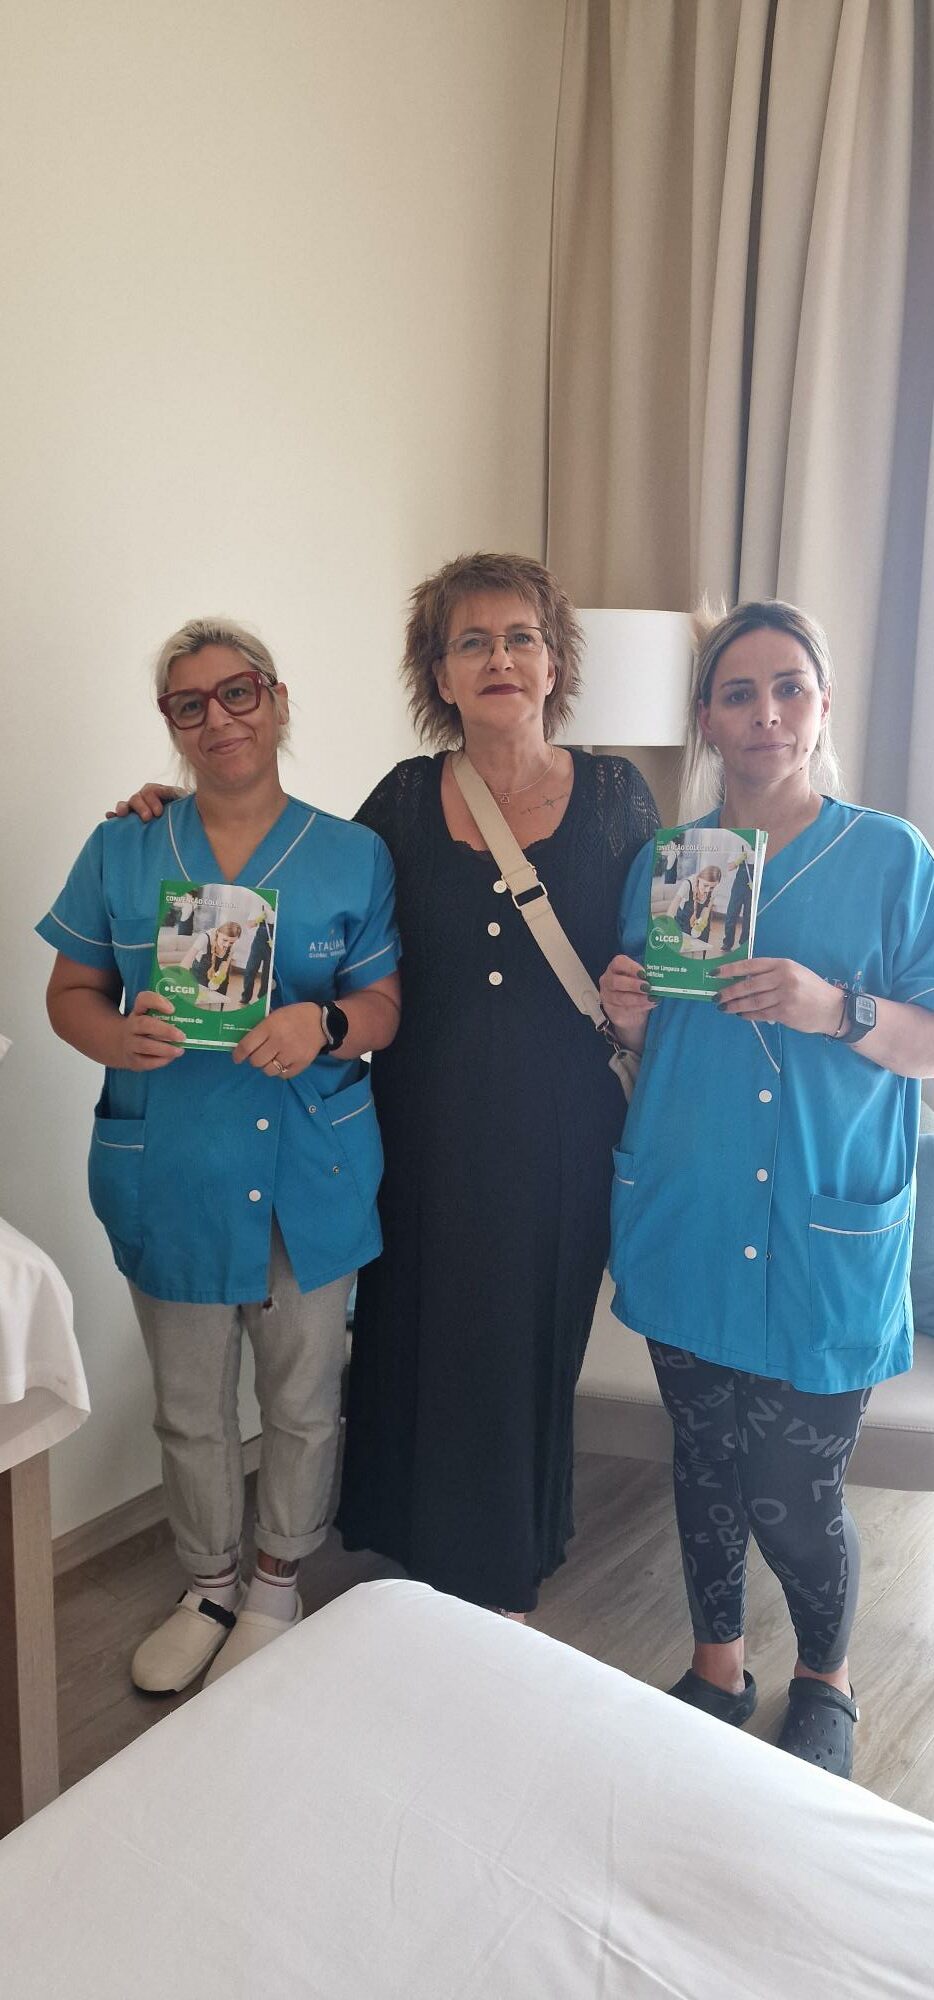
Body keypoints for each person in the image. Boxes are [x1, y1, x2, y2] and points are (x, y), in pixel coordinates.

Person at [113, 555, 658, 1617]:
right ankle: (409, 1547)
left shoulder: (615, 795)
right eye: (471, 641)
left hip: (561, 1126)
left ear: (554, 662)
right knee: (414, 1328)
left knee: (527, 1336)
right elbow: (296, 873)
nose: (499, 658)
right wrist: (177, 808)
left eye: (521, 637)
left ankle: (503, 1562)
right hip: (418, 1121)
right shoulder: (405, 798)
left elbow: (654, 946)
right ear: (438, 674)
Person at [599, 599, 934, 1779]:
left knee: (792, 1490)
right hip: (689, 1209)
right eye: (737, 692)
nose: (765, 713)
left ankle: (825, 1677)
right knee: (701, 1460)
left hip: (817, 1227)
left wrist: (833, 1005)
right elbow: (654, 1047)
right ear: (705, 718)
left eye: (789, 686)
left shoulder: (890, 857)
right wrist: (625, 1016)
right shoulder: (665, 865)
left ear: (823, 705)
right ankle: (717, 1662)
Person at [38, 618, 400, 1693]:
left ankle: (277, 1583)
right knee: (190, 1405)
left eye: (238, 692)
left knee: (301, 1399)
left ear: (277, 701)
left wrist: (322, 1025)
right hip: (174, 1165)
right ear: (171, 724)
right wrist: (118, 1037)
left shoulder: (352, 853)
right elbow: (70, 992)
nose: (218, 718)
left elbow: (383, 1004)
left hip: (307, 1169)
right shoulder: (124, 847)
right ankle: (206, 1585)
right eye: (188, 703)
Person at [182, 917, 241, 1006]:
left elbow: (225, 964)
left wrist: (218, 979)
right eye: (225, 940)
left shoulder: (235, 943)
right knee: (198, 1005)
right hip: (199, 977)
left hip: (219, 978)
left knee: (217, 1006)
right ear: (218, 933)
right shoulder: (205, 938)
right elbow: (186, 961)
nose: (227, 945)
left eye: (231, 942)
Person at [668, 863, 720, 951]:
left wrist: (701, 922)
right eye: (705, 885)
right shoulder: (688, 884)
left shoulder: (715, 888)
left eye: (711, 887)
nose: (708, 890)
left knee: (699, 950)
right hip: (683, 923)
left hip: (699, 924)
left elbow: (707, 909)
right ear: (699, 878)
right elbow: (674, 905)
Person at [241, 904, 274, 1005]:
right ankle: (245, 997)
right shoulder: (261, 905)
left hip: (273, 941)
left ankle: (262, 999)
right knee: (250, 969)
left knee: (267, 973)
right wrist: (258, 919)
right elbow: (249, 924)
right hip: (259, 941)